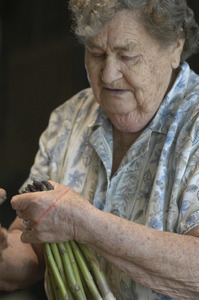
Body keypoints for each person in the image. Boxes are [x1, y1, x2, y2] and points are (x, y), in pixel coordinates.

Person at [1, 0, 199, 299]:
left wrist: (85, 224)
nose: (107, 75)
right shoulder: (70, 119)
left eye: (127, 55)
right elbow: (32, 252)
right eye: (96, 53)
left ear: (175, 47)